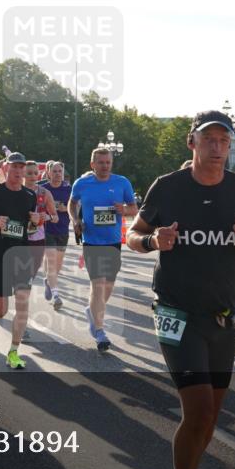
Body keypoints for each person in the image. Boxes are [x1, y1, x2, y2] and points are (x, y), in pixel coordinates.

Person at [127, 110, 235, 469]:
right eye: (208, 140)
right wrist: (154, 240)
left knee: (209, 419)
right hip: (176, 312)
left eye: (224, 141)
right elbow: (131, 235)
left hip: (225, 315)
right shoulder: (168, 188)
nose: (217, 148)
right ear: (192, 143)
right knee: (199, 408)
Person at [69, 148, 138, 352]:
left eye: (108, 162)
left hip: (113, 242)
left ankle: (92, 312)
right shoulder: (81, 184)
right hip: (92, 241)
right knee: (98, 285)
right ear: (92, 164)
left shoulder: (122, 182)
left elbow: (134, 209)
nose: (105, 166)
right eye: (100, 162)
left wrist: (124, 210)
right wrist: (75, 220)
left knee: (107, 287)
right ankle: (100, 332)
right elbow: (72, 204)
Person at [0, 152, 40, 369]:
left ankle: (13, 352)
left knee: (22, 306)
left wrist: (36, 222)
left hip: (21, 256)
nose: (18, 171)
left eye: (22, 168)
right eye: (15, 167)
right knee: (1, 309)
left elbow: (29, 227)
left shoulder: (29, 196)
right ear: (6, 169)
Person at [41, 161, 71, 310]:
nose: (58, 174)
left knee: (57, 267)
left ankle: (48, 281)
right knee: (51, 262)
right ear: (48, 173)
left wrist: (67, 209)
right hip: (48, 229)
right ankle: (56, 295)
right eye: (54, 171)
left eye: (60, 171)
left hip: (63, 230)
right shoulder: (43, 189)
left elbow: (76, 207)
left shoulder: (68, 189)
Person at [23, 160, 57, 297]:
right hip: (20, 235)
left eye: (35, 173)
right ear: (23, 174)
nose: (32, 176)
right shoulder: (17, 190)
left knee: (34, 267)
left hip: (38, 236)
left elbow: (55, 216)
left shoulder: (45, 193)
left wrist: (46, 217)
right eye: (29, 173)